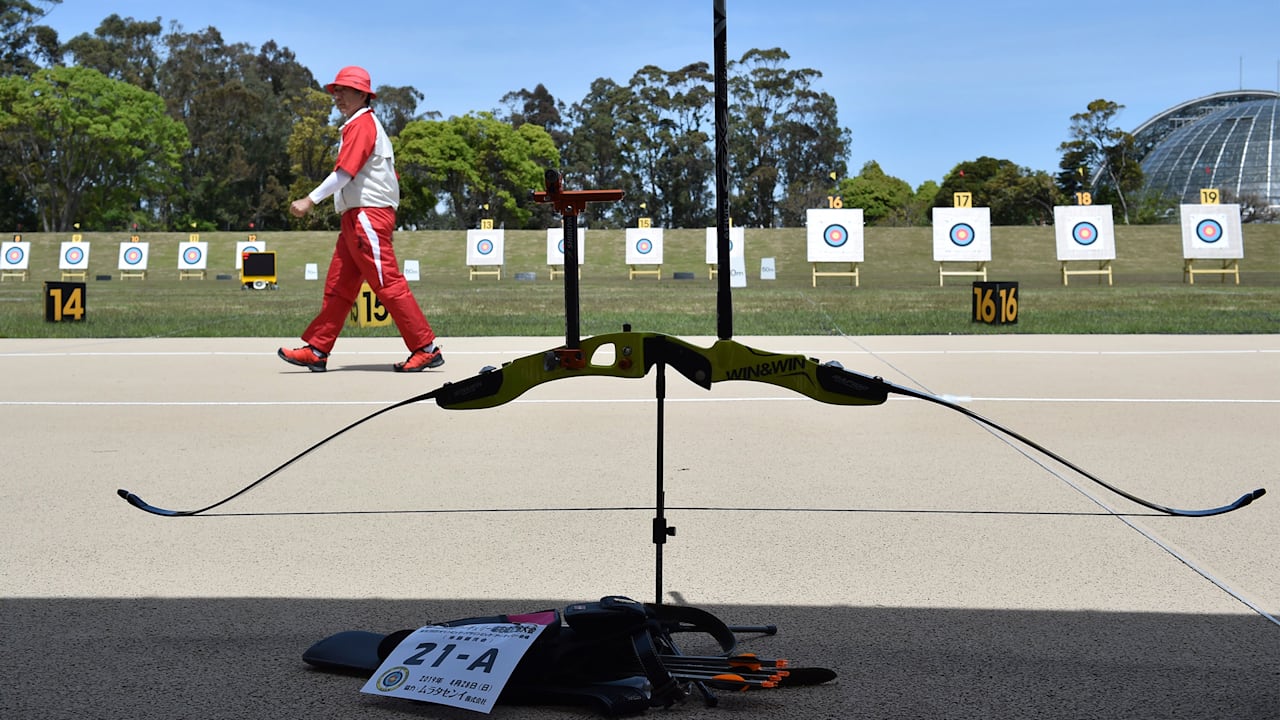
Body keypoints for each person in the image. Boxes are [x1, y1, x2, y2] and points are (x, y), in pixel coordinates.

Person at [279, 65, 443, 373]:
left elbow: (344, 174)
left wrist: (309, 200)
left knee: (387, 283)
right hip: (356, 218)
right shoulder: (359, 125)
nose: (337, 96)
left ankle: (426, 347)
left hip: (368, 216)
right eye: (336, 91)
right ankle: (317, 349)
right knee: (339, 286)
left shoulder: (362, 125)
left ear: (362, 94)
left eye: (343, 90)